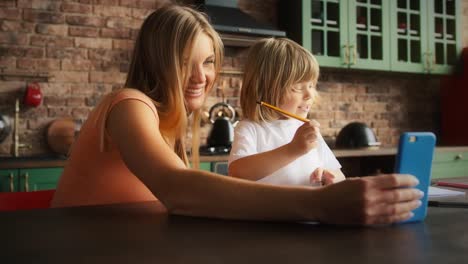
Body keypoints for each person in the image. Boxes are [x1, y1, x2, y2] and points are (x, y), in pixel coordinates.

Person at [51, 4, 423, 225]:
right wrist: (319, 206)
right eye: (184, 63)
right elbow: (180, 191)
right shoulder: (130, 104)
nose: (202, 77)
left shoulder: (170, 127)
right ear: (157, 63)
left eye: (209, 62)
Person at [228, 38, 344, 186]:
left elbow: (339, 175)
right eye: (298, 87)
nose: (310, 95)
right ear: (267, 89)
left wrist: (330, 177)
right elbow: (237, 173)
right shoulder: (251, 128)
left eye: (311, 85)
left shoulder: (306, 130)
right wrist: (293, 149)